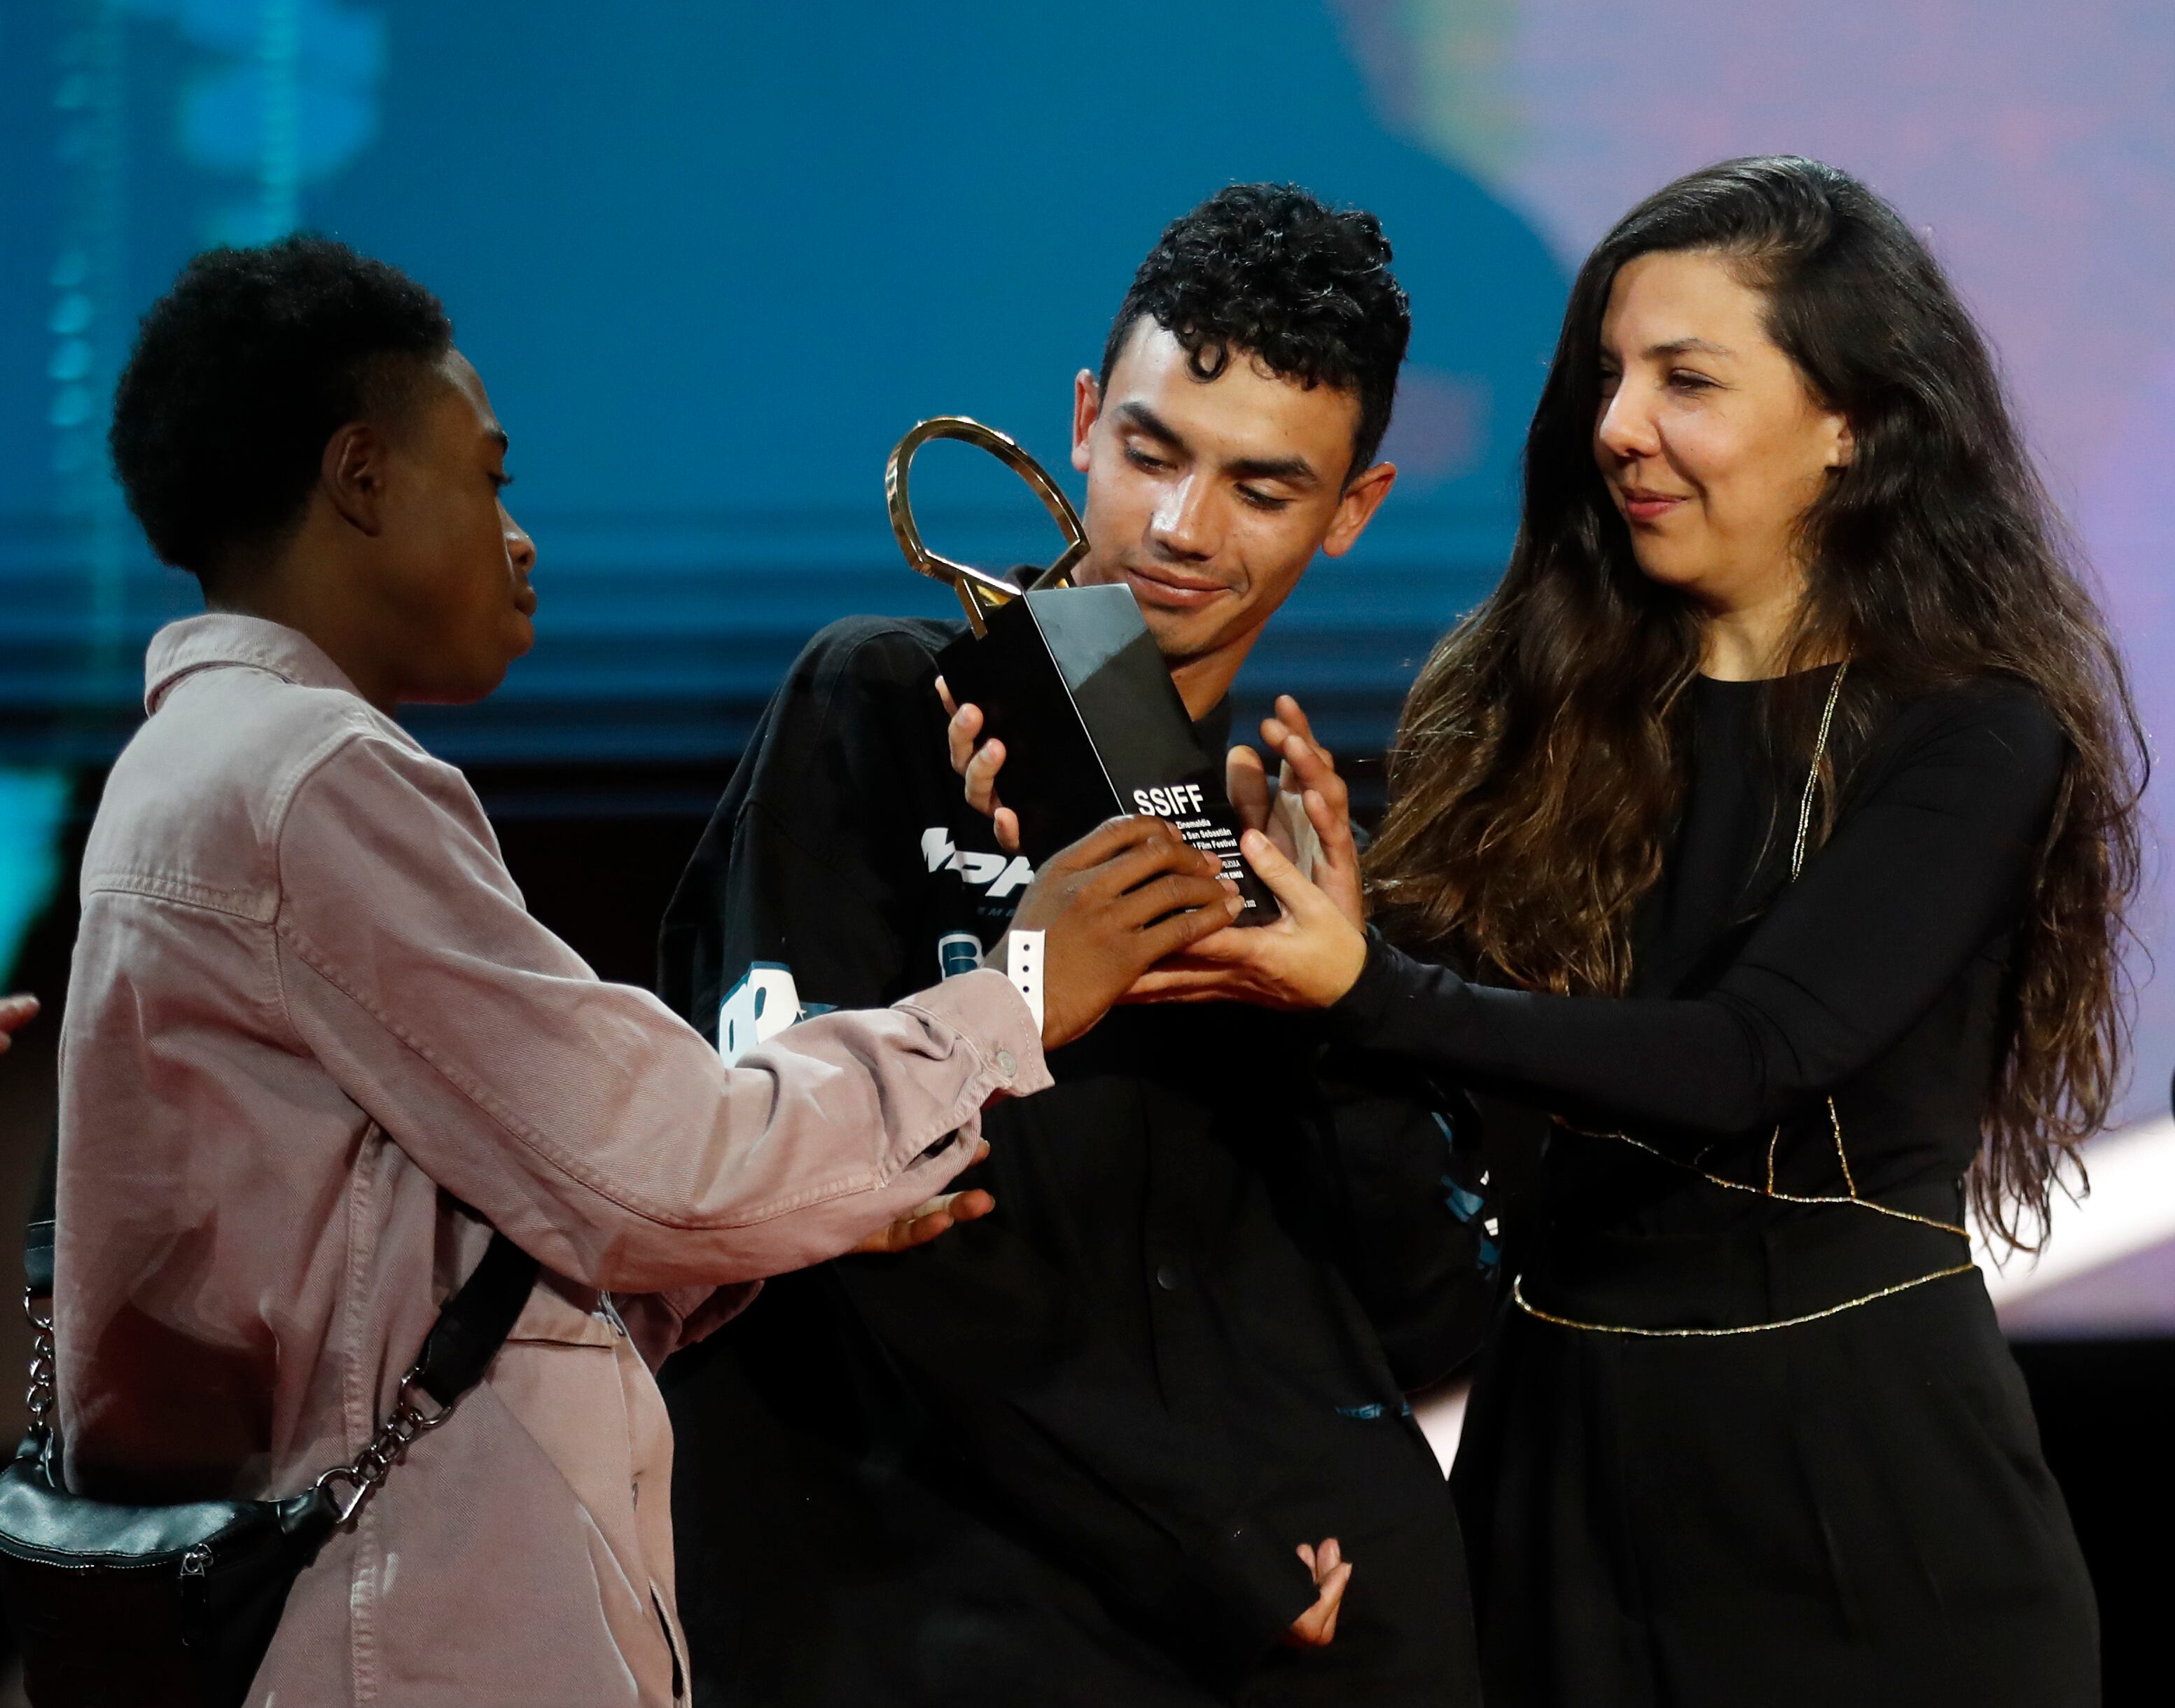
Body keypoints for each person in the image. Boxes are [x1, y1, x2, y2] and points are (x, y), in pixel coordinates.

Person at [62, 235, 1235, 1706]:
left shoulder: (194, 769)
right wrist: (1012, 998)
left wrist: (778, 1210)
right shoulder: (310, 779)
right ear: (360, 478)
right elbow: (660, 1164)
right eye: (488, 477)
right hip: (408, 1639)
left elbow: (464, 1249)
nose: (522, 533)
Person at [1122, 157, 2137, 1705]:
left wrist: (1368, 985)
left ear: (1849, 420)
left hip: (1866, 1516)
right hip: (1556, 1492)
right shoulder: (1521, 702)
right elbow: (1402, 1127)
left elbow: (1746, 1054)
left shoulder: (1970, 733)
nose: (1614, 426)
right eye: (1605, 373)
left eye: (1684, 378)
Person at [656, 184, 1495, 1706]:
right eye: (1151, 452)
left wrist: (1344, 1002)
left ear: (1350, 508)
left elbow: (1430, 1305)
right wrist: (1206, 1544)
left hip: (1304, 1635)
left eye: (1260, 486)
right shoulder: (873, 707)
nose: (1178, 529)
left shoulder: (1298, 842)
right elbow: (783, 1200)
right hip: (917, 1618)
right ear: (1085, 414)